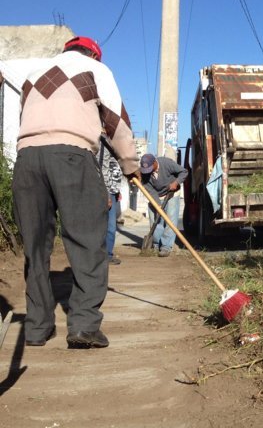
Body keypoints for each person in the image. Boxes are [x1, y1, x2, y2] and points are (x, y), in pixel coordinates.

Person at [12, 36, 140, 349]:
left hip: (27, 160)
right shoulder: (96, 70)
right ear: (93, 55)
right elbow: (116, 121)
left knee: (35, 249)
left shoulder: (33, 74)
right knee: (86, 241)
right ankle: (84, 325)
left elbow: (24, 119)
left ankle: (37, 327)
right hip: (71, 155)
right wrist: (130, 164)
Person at [140, 153, 188, 256]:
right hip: (156, 196)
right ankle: (156, 244)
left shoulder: (166, 163)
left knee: (170, 221)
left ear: (154, 162)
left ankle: (166, 246)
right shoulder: (144, 173)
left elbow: (184, 172)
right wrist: (157, 205)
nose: (148, 172)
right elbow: (149, 189)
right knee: (156, 221)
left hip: (172, 194)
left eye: (150, 168)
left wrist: (176, 182)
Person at [98, 140, 123, 265]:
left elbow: (114, 172)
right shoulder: (103, 145)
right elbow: (103, 171)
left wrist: (117, 191)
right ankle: (104, 255)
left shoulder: (113, 148)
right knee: (109, 226)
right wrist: (107, 194)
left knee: (111, 226)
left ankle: (107, 254)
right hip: (105, 192)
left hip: (113, 192)